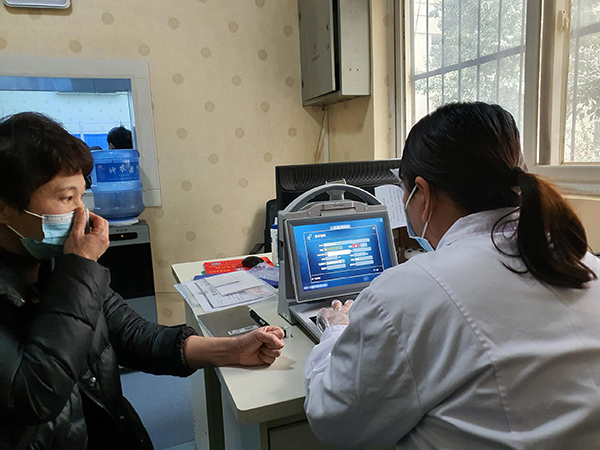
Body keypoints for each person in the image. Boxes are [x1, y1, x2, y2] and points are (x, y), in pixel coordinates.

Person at [304, 102, 600, 449]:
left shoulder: (410, 292)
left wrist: (336, 330)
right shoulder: (580, 261)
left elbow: (334, 421)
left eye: (404, 192)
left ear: (423, 193)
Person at [0, 112, 284, 450]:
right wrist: (80, 267)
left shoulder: (58, 263)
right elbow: (36, 396)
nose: (83, 214)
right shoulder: (73, 268)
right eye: (66, 198)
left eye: (81, 196)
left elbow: (132, 335)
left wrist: (230, 349)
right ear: (4, 208)